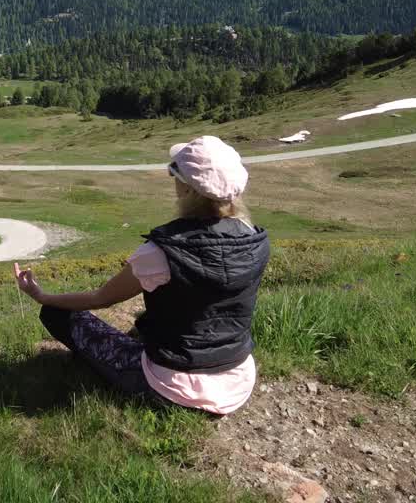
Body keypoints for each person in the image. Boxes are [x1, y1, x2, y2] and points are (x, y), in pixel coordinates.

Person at [14, 136, 269, 415]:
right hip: (237, 381)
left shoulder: (161, 251)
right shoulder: (255, 241)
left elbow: (101, 299)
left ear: (186, 188)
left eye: (174, 174)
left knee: (55, 313)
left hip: (171, 386)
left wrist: (41, 295)